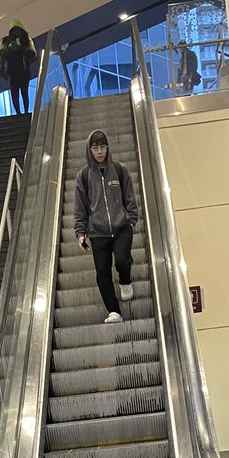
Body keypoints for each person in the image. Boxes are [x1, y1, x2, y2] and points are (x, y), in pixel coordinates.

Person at [73, 130, 139, 324]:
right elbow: (80, 207)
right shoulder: (83, 176)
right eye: (95, 148)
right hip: (98, 232)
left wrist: (131, 220)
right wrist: (80, 232)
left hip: (121, 227)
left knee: (122, 260)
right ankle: (114, 311)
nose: (99, 151)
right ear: (90, 150)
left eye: (103, 147)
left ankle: (125, 281)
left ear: (107, 148)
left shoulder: (120, 170)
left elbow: (130, 198)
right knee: (102, 272)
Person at [0, 21, 38, 116]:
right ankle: (19, 113)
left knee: (24, 92)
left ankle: (25, 111)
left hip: (23, 71)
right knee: (15, 93)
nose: (16, 32)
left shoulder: (27, 41)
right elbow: (1, 53)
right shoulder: (5, 41)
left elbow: (32, 53)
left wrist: (20, 49)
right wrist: (10, 50)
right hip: (12, 71)